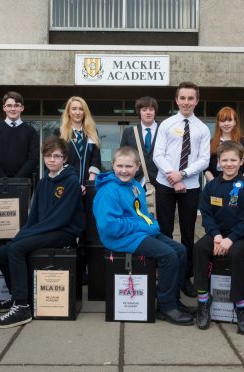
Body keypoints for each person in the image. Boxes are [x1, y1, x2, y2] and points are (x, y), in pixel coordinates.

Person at [93, 147, 194, 325]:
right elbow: (109, 226)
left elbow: (143, 214)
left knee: (179, 250)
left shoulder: (135, 186)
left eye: (129, 166)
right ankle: (166, 306)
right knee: (167, 255)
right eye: (120, 166)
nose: (124, 170)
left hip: (137, 232)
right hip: (120, 237)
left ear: (137, 167)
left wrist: (151, 225)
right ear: (113, 166)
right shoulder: (108, 191)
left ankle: (173, 299)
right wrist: (144, 227)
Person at [0, 136, 83, 328]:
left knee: (16, 249)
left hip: (64, 232)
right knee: (2, 252)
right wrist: (23, 233)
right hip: (45, 229)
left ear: (64, 158)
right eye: (48, 156)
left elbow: (61, 218)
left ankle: (22, 308)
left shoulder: (71, 181)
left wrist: (26, 236)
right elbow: (35, 217)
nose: (51, 160)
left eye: (56, 156)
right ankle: (18, 296)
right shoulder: (43, 181)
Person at [153, 81, 210, 298]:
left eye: (191, 98)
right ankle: (166, 277)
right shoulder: (166, 124)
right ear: (176, 99)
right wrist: (173, 175)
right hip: (165, 184)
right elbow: (158, 154)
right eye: (182, 98)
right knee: (165, 232)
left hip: (191, 185)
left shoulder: (202, 129)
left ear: (197, 100)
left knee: (188, 234)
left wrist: (183, 175)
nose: (186, 102)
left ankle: (185, 278)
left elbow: (204, 159)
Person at [194, 141, 244, 333]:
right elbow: (206, 215)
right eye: (225, 160)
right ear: (219, 162)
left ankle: (240, 305)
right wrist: (216, 236)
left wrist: (231, 239)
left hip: (242, 236)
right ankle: (203, 300)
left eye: (233, 160)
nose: (229, 164)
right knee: (198, 249)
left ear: (241, 162)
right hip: (218, 234)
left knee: (236, 254)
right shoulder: (212, 186)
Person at [0, 91, 39, 178]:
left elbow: (33, 159)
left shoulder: (31, 131)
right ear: (4, 108)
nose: (13, 109)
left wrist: (17, 179)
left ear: (22, 108)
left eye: (16, 105)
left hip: (23, 183)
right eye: (9, 105)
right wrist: (4, 179)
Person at [58, 96, 102, 190]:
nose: (77, 113)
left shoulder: (93, 132)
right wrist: (73, 183)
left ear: (85, 112)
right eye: (74, 109)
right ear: (68, 112)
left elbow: (96, 160)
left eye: (81, 109)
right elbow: (58, 160)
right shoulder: (60, 133)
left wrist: (90, 182)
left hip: (88, 185)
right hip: (66, 184)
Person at [204, 106, 244, 181]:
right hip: (216, 185)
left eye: (230, 120)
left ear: (235, 122)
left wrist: (240, 184)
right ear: (218, 123)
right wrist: (214, 184)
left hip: (238, 185)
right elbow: (206, 169)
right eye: (223, 121)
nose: (226, 124)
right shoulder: (211, 143)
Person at [120, 96, 160, 184]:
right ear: (139, 112)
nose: (148, 112)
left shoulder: (164, 129)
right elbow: (123, 157)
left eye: (151, 109)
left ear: (155, 112)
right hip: (135, 180)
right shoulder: (129, 132)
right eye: (144, 110)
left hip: (161, 181)